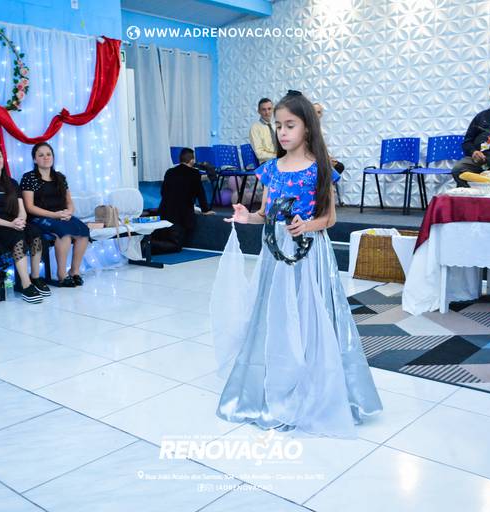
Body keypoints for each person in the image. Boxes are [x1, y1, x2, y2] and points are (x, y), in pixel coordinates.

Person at [211, 91, 382, 438]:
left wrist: (307, 225)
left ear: (307, 127)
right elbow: (265, 214)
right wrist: (247, 217)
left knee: (310, 314)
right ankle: (278, 380)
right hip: (276, 255)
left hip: (310, 253)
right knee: (277, 314)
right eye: (278, 126)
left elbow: (329, 218)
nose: (283, 132)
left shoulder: (321, 169)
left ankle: (315, 385)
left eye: (290, 125)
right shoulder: (271, 169)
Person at [0, 144, 50, 304]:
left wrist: (20, 220)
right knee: (17, 237)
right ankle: (25, 285)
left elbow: (22, 210)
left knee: (35, 233)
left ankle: (35, 277)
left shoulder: (12, 183)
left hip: (15, 222)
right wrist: (11, 225)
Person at [20, 142, 89, 287]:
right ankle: (62, 274)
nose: (46, 157)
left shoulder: (60, 177)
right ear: (34, 159)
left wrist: (69, 212)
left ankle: (74, 271)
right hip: (39, 217)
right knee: (64, 233)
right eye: (41, 155)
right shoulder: (29, 178)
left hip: (61, 215)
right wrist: (54, 215)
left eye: (48, 154)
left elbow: (69, 202)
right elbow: (29, 207)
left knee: (84, 231)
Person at [153, 148, 215, 254]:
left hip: (164, 213)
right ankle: (147, 247)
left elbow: (163, 192)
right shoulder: (194, 173)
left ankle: (148, 244)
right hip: (180, 217)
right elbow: (200, 194)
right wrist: (205, 210)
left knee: (162, 237)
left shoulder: (169, 172)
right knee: (175, 245)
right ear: (192, 160)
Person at [249, 98, 277, 163]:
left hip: (281, 160)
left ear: (273, 109)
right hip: (266, 163)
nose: (267, 112)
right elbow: (259, 154)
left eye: (269, 109)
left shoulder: (276, 125)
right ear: (259, 111)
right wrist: (278, 156)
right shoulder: (255, 128)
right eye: (263, 109)